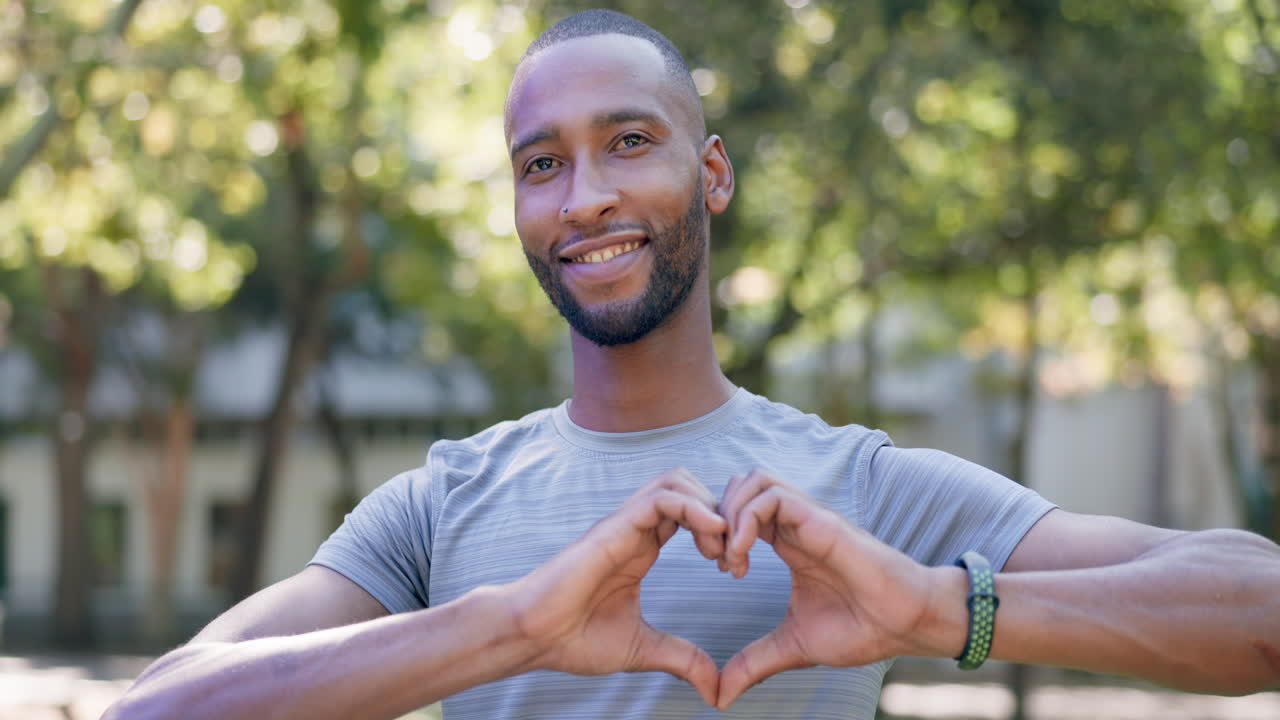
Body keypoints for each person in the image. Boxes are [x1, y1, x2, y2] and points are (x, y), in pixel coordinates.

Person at [107, 9, 1280, 720]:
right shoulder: (432, 511)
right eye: (540, 164)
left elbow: (1257, 614)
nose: (589, 197)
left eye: (628, 142)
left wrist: (938, 608)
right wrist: (509, 626)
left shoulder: (868, 494)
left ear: (710, 175)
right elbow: (159, 706)